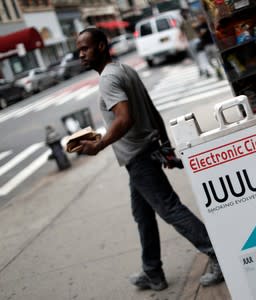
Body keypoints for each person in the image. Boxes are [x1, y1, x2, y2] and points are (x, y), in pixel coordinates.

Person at [75, 27, 223, 291]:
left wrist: (100, 145)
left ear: (100, 46)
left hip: (139, 158)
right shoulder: (125, 70)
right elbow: (152, 112)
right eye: (79, 50)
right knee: (143, 214)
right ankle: (152, 271)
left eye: (85, 48)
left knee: (170, 209)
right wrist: (165, 146)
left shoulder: (108, 79)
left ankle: (217, 253)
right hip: (145, 153)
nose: (80, 55)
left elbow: (125, 118)